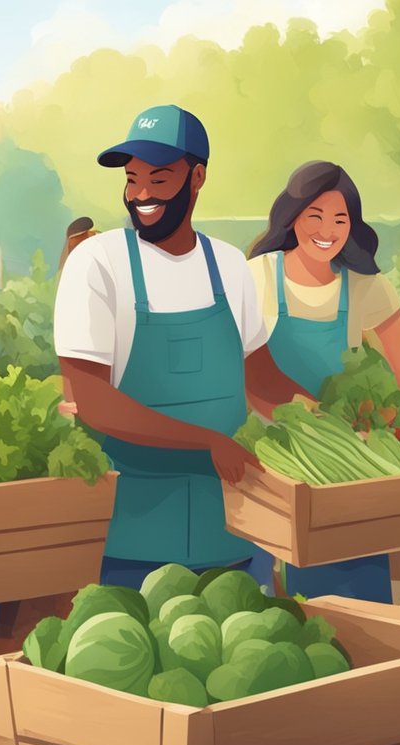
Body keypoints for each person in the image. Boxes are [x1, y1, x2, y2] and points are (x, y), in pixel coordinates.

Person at [55, 105, 309, 590]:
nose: (142, 194)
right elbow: (93, 399)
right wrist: (207, 441)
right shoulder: (99, 262)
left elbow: (261, 379)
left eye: (160, 178)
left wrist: (326, 420)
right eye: (132, 180)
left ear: (197, 177)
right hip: (137, 534)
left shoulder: (229, 266)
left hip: (237, 529)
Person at [246, 161, 400, 602]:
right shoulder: (259, 276)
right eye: (314, 216)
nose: (327, 230)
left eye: (340, 219)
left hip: (349, 448)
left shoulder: (365, 287)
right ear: (292, 216)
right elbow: (243, 369)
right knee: (275, 576)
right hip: (279, 447)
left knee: (355, 568)